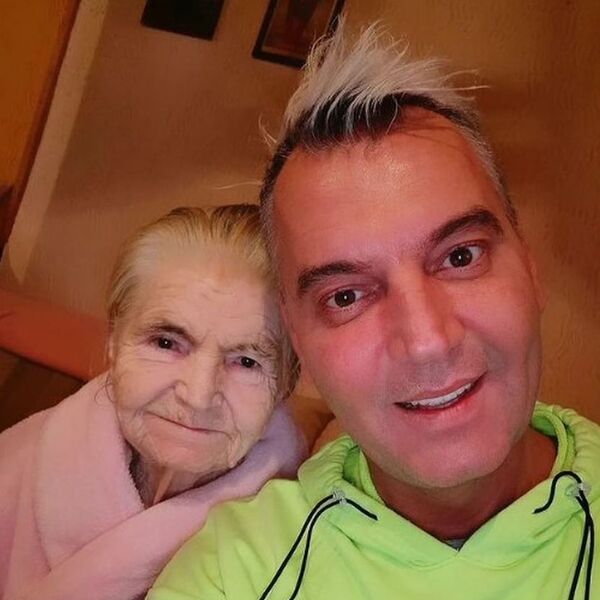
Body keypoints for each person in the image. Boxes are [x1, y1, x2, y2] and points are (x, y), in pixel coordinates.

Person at [149, 22, 600, 600]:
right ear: (298, 342)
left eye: (460, 256)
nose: (428, 341)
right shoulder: (232, 573)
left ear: (531, 269)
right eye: (346, 296)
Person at [0, 204, 306, 600]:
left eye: (247, 362)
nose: (197, 397)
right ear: (114, 341)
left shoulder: (300, 534)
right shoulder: (19, 459)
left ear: (285, 384)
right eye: (166, 343)